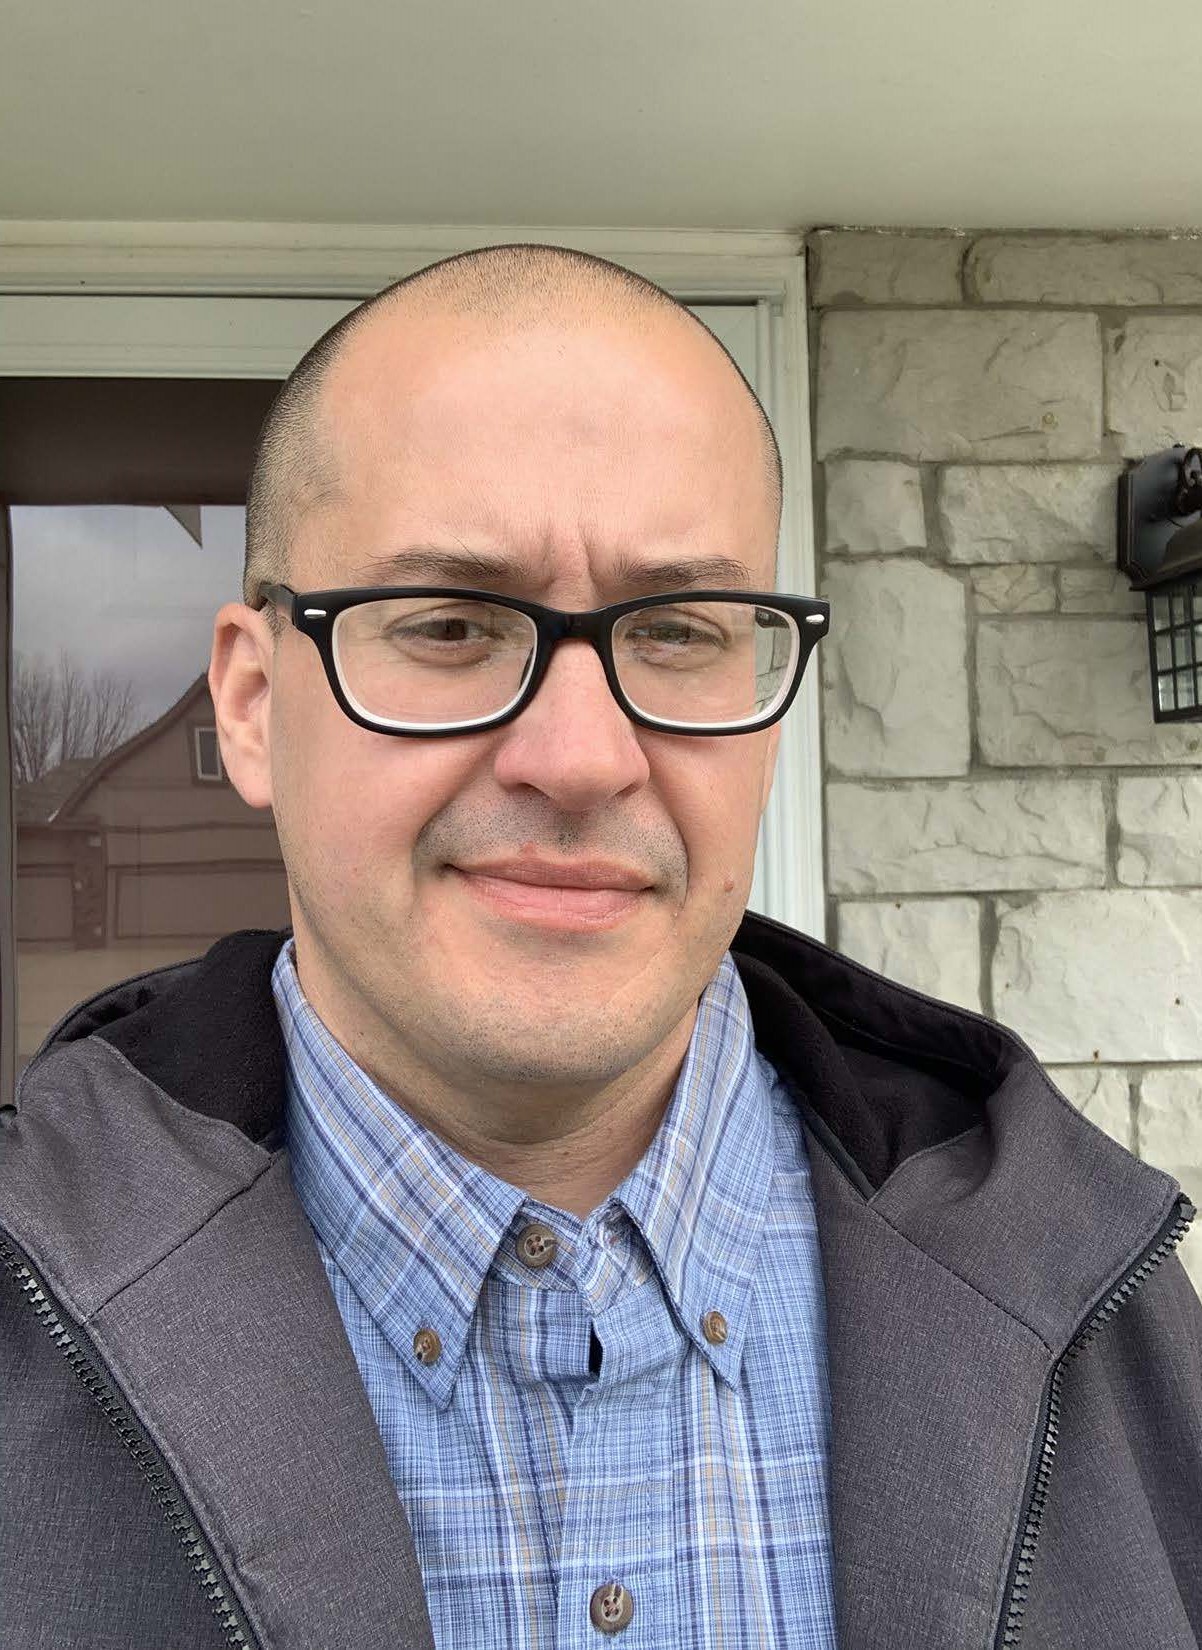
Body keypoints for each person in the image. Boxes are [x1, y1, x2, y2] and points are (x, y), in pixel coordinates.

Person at [2, 244, 1200, 1650]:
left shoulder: (1090, 1290)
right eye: (449, 624)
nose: (581, 756)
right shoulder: (32, 1305)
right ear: (254, 704)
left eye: (678, 631)